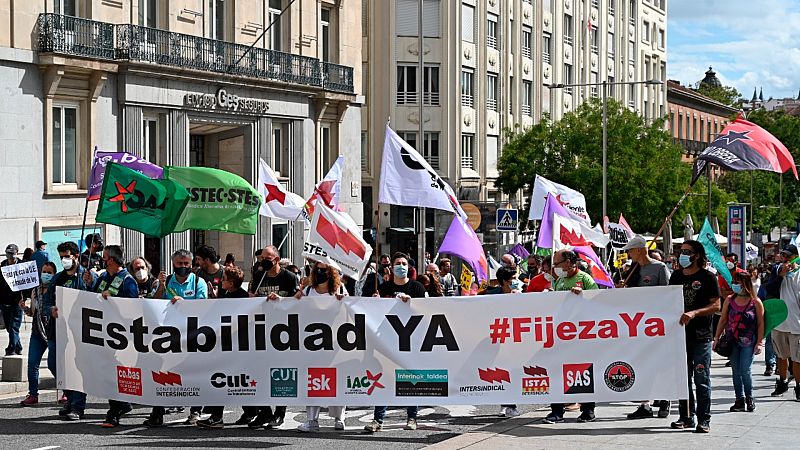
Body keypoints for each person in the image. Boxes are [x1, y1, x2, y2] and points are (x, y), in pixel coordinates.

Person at [144, 249, 209, 427]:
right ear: (173, 264)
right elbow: (154, 302)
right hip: (168, 336)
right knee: (162, 373)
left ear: (191, 264)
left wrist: (184, 304)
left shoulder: (198, 282)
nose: (183, 266)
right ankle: (157, 413)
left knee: (194, 373)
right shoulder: (166, 281)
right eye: (180, 263)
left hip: (192, 335)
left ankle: (195, 411)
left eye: (186, 263)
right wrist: (161, 286)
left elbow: (203, 306)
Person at [365, 252, 425, 433]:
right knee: (384, 378)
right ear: (392, 267)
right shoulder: (384, 288)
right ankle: (378, 420)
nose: (401, 266)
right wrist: (376, 302)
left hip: (410, 341)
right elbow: (375, 313)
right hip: (388, 341)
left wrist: (411, 303)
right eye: (398, 263)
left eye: (404, 263)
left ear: (409, 267)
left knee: (410, 379)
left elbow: (426, 311)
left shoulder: (417, 287)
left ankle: (412, 417)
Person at [83, 245, 139, 428]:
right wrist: (88, 284)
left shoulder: (127, 281)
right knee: (107, 372)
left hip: (120, 335)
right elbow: (92, 299)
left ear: (112, 260)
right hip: (103, 332)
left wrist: (114, 300)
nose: (102, 259)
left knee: (115, 373)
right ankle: (122, 404)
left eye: (105, 257)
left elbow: (133, 307)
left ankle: (114, 412)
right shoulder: (103, 278)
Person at [669, 240, 720, 434]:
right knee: (683, 379)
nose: (682, 254)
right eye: (680, 251)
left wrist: (694, 313)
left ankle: (704, 419)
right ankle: (686, 417)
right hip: (678, 336)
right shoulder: (676, 276)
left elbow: (716, 305)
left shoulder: (708, 277)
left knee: (701, 378)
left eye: (686, 251)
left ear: (696, 255)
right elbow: (665, 300)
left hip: (701, 337)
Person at [543, 249, 599, 424]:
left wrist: (583, 295)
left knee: (584, 372)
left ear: (568, 262)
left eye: (557, 264)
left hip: (581, 334)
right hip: (562, 334)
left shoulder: (585, 279)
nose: (555, 267)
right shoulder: (559, 281)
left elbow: (598, 301)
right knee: (557, 371)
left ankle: (588, 410)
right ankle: (556, 411)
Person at [620, 235, 672, 420]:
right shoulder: (633, 270)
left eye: (630, 250)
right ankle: (645, 404)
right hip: (638, 325)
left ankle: (665, 399)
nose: (629, 254)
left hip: (657, 324)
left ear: (640, 250)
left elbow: (668, 294)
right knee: (641, 364)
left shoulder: (660, 268)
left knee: (660, 363)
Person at [196, 265, 253, 429]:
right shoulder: (227, 295)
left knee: (225, 380)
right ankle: (249, 411)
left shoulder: (242, 297)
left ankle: (218, 416)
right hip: (227, 345)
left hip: (237, 346)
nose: (221, 281)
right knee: (230, 380)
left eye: (224, 279)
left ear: (232, 283)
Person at [249, 245, 299, 429]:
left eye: (267, 258)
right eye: (262, 258)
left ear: (277, 259)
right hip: (261, 331)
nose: (263, 261)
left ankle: (280, 412)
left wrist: (281, 300)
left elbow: (298, 302)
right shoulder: (259, 276)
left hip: (283, 332)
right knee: (259, 371)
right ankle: (264, 412)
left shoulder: (289, 277)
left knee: (281, 372)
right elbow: (252, 298)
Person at [295, 261, 348, 432]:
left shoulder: (339, 289)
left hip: (335, 342)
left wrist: (344, 301)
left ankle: (340, 418)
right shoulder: (308, 291)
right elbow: (291, 305)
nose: (320, 272)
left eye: (324, 270)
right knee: (313, 379)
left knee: (337, 378)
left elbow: (351, 309)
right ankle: (312, 419)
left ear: (331, 272)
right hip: (312, 343)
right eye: (317, 269)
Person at [47, 241, 95, 420]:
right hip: (58, 330)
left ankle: (77, 406)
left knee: (77, 367)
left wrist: (90, 284)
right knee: (54, 364)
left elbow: (95, 298)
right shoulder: (57, 279)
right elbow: (47, 300)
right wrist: (50, 309)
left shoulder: (86, 276)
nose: (64, 260)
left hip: (79, 330)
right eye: (61, 257)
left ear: (76, 256)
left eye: (67, 256)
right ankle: (70, 396)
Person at [714, 269, 765, 412]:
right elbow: (723, 320)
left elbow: (761, 323)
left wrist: (759, 342)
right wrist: (716, 338)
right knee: (736, 371)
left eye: (738, 282)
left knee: (745, 370)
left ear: (745, 283)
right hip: (732, 341)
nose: (735, 284)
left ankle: (749, 397)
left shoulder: (756, 302)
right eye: (734, 282)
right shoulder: (729, 300)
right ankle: (739, 399)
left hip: (749, 342)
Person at [481, 266, 521, 418]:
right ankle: (507, 404)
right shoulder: (491, 295)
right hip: (496, 339)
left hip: (517, 339)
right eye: (513, 279)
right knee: (502, 371)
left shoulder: (523, 294)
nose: (516, 282)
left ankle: (511, 404)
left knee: (514, 371)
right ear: (504, 281)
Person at [18, 261, 57, 406]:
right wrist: (25, 308)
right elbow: (33, 313)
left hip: (53, 332)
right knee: (32, 364)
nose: (46, 275)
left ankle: (67, 391)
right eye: (44, 272)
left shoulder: (57, 290)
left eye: (49, 272)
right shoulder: (35, 291)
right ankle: (33, 394)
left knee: (53, 365)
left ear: (54, 274)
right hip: (37, 332)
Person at [770, 244, 800, 401]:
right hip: (779, 322)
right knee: (781, 356)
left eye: (788, 256)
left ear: (796, 257)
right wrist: (781, 275)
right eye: (783, 256)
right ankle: (782, 382)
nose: (785, 259)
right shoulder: (776, 271)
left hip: (796, 324)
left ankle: (799, 387)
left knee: (797, 358)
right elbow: (769, 290)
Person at [1, 244, 24, 356]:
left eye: (11, 253)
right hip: (4, 302)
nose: (9, 255)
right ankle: (18, 347)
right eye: (8, 253)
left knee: (14, 327)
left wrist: (25, 297)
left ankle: (12, 348)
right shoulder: (2, 265)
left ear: (17, 253)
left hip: (17, 302)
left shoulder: (22, 266)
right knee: (9, 328)